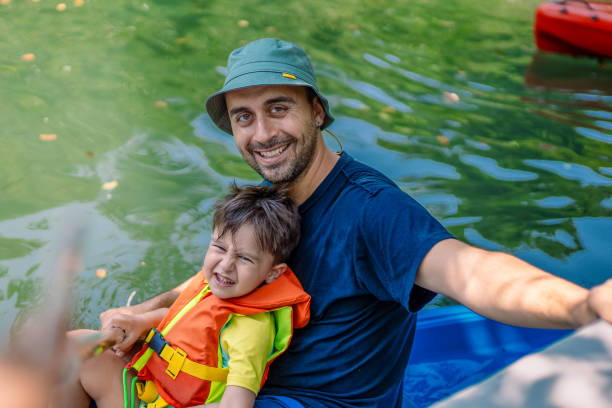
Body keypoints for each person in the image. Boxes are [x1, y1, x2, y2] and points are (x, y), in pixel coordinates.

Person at [99, 38, 612, 408]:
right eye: (243, 117)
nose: (261, 133)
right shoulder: (274, 196)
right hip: (243, 382)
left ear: (317, 112)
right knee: (77, 352)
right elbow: (222, 278)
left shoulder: (373, 210)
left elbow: (470, 272)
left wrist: (583, 305)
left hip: (307, 400)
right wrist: (149, 313)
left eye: (278, 108)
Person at [64, 184, 310, 408]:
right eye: (219, 248)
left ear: (272, 273)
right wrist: (141, 322)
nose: (225, 266)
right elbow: (182, 318)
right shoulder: (216, 286)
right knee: (76, 347)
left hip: (172, 403)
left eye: (244, 258)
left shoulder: (251, 328)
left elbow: (237, 405)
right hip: (153, 388)